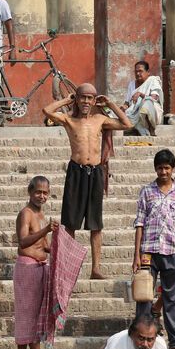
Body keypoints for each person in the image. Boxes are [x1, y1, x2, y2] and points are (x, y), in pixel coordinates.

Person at [42, 83, 131, 279]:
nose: (86, 102)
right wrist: (68, 100)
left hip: (96, 172)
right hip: (76, 172)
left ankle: (96, 268)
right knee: (70, 223)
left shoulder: (100, 119)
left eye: (90, 98)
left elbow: (127, 124)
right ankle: (68, 267)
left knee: (96, 223)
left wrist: (110, 104)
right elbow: (47, 110)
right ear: (78, 99)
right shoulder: (69, 119)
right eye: (83, 97)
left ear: (94, 101)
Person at [133, 149, 175, 349]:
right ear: (155, 169)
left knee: (171, 299)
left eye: (167, 168)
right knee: (143, 298)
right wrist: (136, 255)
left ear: (172, 169)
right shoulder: (146, 191)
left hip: (171, 251)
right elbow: (139, 224)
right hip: (148, 251)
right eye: (160, 168)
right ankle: (139, 339)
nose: (163, 172)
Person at [14, 176, 59, 349]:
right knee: (28, 317)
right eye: (38, 192)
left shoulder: (41, 216)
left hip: (40, 267)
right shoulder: (26, 214)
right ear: (30, 192)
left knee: (37, 317)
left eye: (45, 193)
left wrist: (61, 244)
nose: (42, 196)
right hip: (28, 268)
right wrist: (46, 229)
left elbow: (45, 246)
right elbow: (23, 242)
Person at [124, 61, 164, 136]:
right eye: (136, 71)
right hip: (134, 112)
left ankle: (151, 129)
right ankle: (136, 129)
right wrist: (122, 108)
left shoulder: (152, 80)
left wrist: (140, 94)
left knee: (147, 102)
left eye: (140, 71)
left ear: (148, 72)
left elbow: (154, 98)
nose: (138, 74)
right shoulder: (132, 84)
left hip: (152, 112)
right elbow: (127, 103)